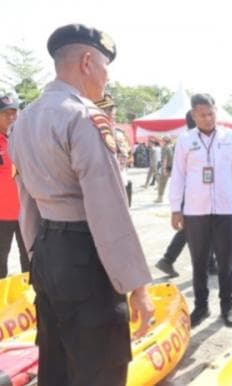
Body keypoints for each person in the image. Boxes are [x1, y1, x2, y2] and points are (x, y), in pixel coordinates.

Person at [9, 24, 154, 386]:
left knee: (56, 361)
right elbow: (108, 210)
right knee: (100, 363)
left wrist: (35, 254)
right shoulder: (85, 117)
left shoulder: (24, 119)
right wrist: (137, 285)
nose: (106, 78)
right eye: (106, 67)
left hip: (46, 252)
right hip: (86, 255)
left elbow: (25, 200)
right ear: (88, 62)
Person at [169, 93, 232, 328]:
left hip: (226, 210)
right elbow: (178, 175)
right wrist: (176, 208)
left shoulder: (231, 138)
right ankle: (201, 307)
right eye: (202, 115)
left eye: (211, 113)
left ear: (216, 110)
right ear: (194, 115)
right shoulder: (184, 141)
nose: (207, 118)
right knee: (199, 262)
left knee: (225, 262)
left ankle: (227, 306)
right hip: (195, 211)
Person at [156, 111, 219, 277]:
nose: (208, 119)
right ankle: (168, 259)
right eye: (203, 115)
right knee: (190, 229)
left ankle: (209, 263)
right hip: (192, 193)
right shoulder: (188, 140)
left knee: (204, 227)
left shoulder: (187, 139)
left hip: (196, 193)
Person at [0, 95, 28, 277]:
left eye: (14, 113)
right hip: (2, 215)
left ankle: (31, 300)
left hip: (26, 213)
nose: (11, 117)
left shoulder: (23, 140)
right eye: (5, 114)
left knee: (30, 259)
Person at [95, 94, 133, 207]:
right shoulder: (92, 130)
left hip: (118, 181)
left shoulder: (118, 133)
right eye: (107, 109)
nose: (111, 112)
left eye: (111, 109)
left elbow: (125, 157)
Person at [155, 136, 174, 203]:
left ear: (165, 141)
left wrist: (164, 169)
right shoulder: (171, 147)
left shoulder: (165, 148)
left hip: (167, 167)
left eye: (162, 140)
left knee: (162, 182)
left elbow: (165, 159)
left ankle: (160, 197)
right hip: (172, 166)